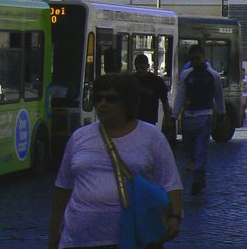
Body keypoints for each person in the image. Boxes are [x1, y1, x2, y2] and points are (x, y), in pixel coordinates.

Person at [49, 73, 183, 249]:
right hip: (79, 238)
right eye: (98, 98)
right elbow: (63, 186)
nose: (102, 103)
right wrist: (54, 232)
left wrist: (174, 217)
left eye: (111, 99)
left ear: (128, 102)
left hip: (133, 237)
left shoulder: (152, 137)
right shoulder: (79, 137)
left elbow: (170, 182)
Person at [172, 43, 224, 195]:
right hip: (188, 118)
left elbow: (218, 95)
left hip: (204, 115)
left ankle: (198, 179)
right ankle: (199, 176)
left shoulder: (213, 75)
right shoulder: (186, 74)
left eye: (197, 58)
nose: (195, 61)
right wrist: (174, 115)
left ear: (203, 57)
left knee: (200, 149)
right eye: (192, 59)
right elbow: (180, 95)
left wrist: (221, 112)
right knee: (190, 149)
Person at [132, 53, 172, 133]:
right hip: (133, 119)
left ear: (148, 66)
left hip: (149, 119)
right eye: (138, 68)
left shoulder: (156, 81)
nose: (140, 70)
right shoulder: (130, 80)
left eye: (142, 67)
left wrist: (167, 119)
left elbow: (165, 101)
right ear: (135, 67)